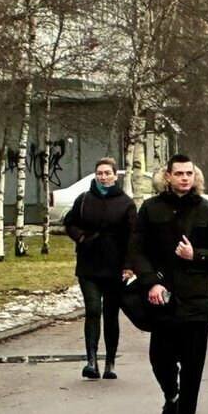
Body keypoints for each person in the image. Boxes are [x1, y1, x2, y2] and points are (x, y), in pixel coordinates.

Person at [126, 153, 208, 414]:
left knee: (193, 365)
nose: (185, 178)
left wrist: (195, 255)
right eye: (179, 173)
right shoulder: (151, 209)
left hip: (197, 301)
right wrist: (151, 283)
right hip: (163, 298)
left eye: (189, 173)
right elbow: (137, 251)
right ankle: (171, 396)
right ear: (168, 177)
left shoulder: (207, 210)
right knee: (160, 359)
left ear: (194, 177)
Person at [63, 157, 137, 380]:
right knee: (93, 310)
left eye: (107, 173)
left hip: (114, 266)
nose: (103, 177)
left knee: (110, 314)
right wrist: (81, 236)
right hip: (89, 264)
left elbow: (133, 237)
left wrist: (129, 265)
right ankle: (91, 361)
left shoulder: (126, 203)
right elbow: (69, 222)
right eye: (99, 173)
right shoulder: (84, 199)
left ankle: (110, 363)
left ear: (115, 175)